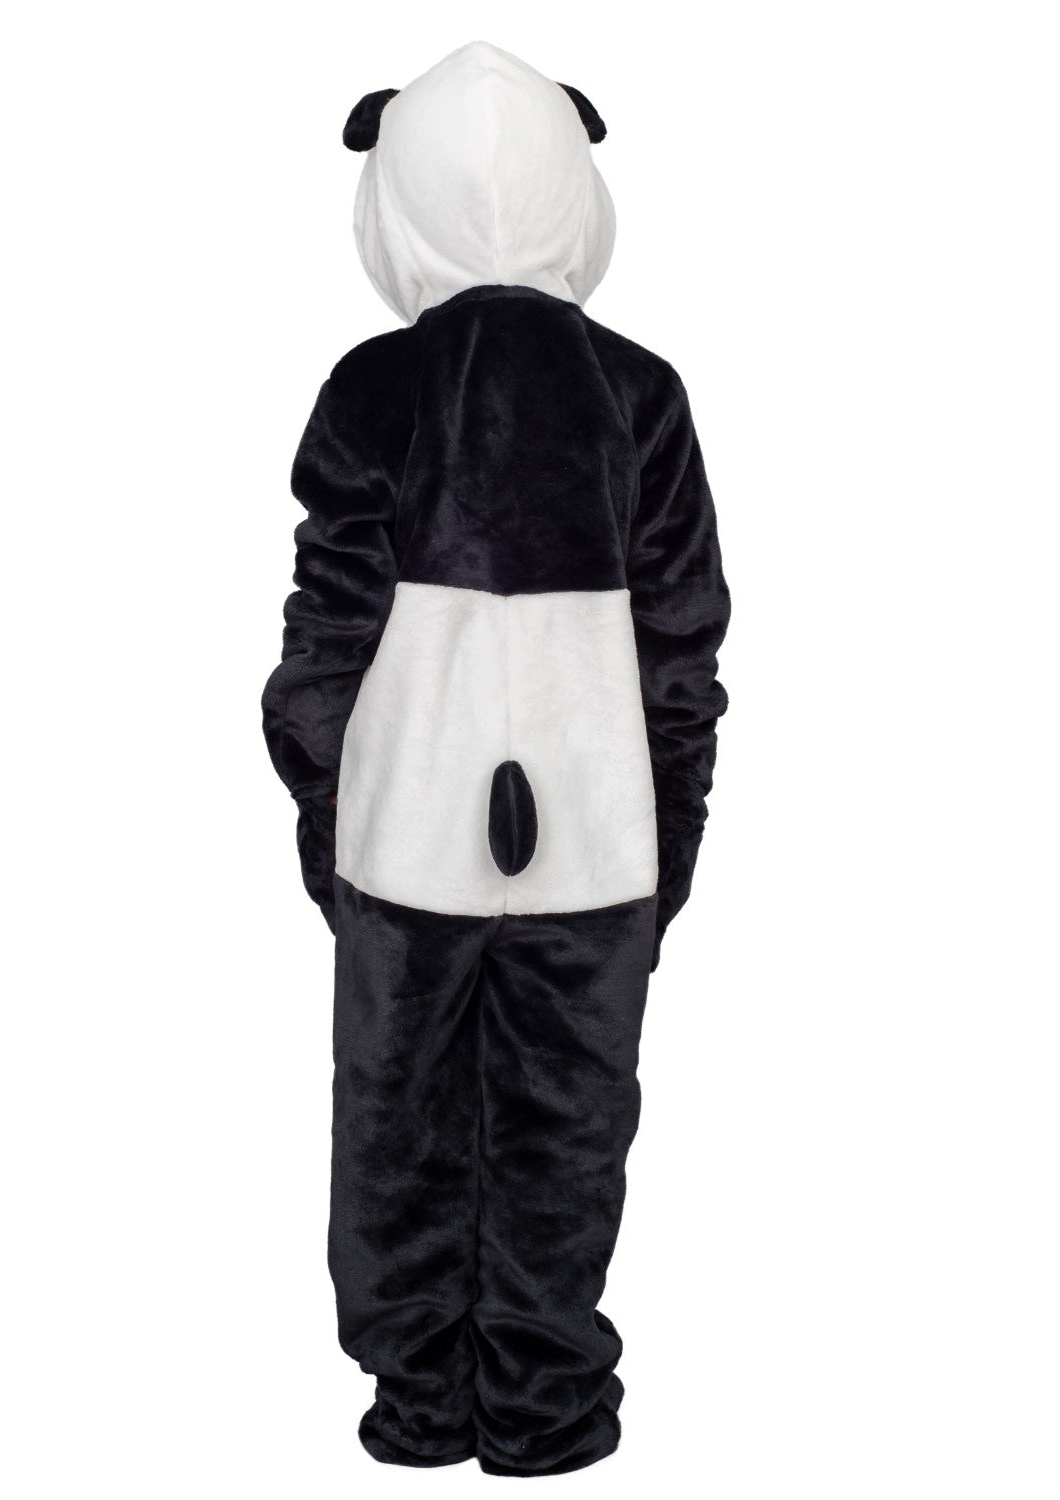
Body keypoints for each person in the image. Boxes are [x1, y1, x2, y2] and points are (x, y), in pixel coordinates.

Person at [262, 41, 730, 1476]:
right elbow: (683, 648)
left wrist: (330, 816)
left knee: (395, 1119)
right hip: (599, 840)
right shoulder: (642, 395)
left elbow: (324, 639)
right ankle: (542, 1406)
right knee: (566, 1123)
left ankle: (418, 1402)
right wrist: (670, 836)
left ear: (392, 198)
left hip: (403, 836)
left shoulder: (374, 387)